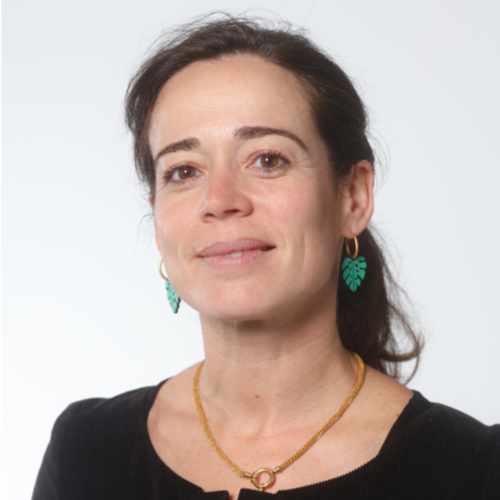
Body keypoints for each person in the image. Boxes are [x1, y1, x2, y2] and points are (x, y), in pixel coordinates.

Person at [32, 13, 499, 500]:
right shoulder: (86, 449)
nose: (220, 200)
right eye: (184, 171)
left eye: (268, 160)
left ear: (353, 197)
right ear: (157, 215)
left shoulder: (475, 470)